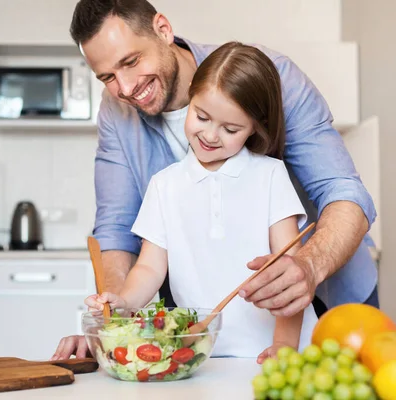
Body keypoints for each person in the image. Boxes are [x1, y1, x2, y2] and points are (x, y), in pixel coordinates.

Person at [51, 0, 378, 360]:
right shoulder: (124, 123)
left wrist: (309, 268)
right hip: (210, 346)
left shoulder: (270, 80)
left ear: (163, 29)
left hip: (327, 299)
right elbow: (117, 231)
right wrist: (114, 327)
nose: (125, 88)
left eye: (130, 62)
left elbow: (343, 190)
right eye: (108, 77)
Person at [86, 41, 318, 360]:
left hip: (281, 354)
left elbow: (289, 276)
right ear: (190, 98)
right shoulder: (163, 185)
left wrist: (283, 346)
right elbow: (150, 268)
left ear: (253, 128)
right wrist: (124, 303)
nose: (210, 136)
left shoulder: (271, 176)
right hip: (203, 356)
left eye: (230, 128)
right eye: (202, 116)